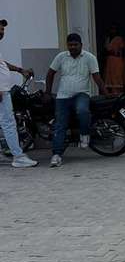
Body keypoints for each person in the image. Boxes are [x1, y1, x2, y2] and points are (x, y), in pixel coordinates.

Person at [45, 33, 106, 168]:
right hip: (62, 96)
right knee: (60, 124)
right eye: (70, 45)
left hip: (81, 94)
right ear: (67, 45)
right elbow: (50, 74)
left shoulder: (89, 58)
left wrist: (106, 93)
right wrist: (47, 92)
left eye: (75, 45)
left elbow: (96, 77)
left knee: (82, 110)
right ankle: (56, 155)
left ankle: (84, 134)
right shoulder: (61, 57)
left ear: (81, 45)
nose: (72, 47)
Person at [0, 18, 37, 168]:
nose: (2, 32)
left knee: (6, 123)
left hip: (4, 90)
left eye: (3, 30)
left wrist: (21, 70)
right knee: (8, 123)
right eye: (0, 29)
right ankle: (18, 156)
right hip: (1, 92)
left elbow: (3, 65)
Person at [103, 23, 125, 96]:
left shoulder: (119, 39)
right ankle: (112, 98)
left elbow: (122, 50)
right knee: (109, 79)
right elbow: (105, 50)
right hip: (109, 61)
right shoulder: (108, 39)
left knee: (117, 79)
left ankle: (119, 97)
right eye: (111, 29)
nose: (113, 31)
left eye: (114, 29)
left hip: (117, 61)